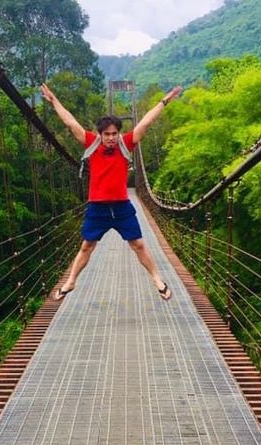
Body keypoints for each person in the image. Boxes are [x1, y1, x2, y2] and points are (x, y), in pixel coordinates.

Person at [41, 83, 182, 301]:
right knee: (87, 246)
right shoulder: (91, 143)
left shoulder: (126, 144)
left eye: (114, 134)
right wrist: (54, 100)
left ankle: (157, 279)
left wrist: (165, 100)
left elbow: (147, 121)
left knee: (138, 244)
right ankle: (70, 282)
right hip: (97, 208)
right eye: (107, 134)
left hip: (121, 206)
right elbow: (70, 122)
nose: (111, 138)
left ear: (119, 133)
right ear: (100, 134)